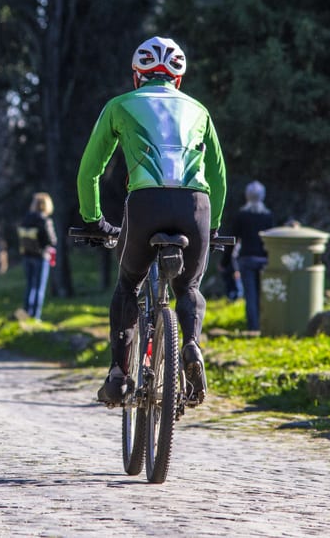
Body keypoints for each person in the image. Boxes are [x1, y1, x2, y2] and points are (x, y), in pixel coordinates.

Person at [76, 36, 227, 406]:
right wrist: (214, 226)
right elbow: (219, 177)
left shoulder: (120, 105)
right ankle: (189, 344)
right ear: (178, 80)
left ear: (136, 76)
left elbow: (88, 173)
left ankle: (119, 375)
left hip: (145, 204)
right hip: (196, 205)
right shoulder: (199, 110)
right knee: (188, 287)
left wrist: (93, 220)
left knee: (128, 284)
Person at [224, 181, 274, 331]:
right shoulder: (268, 216)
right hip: (264, 259)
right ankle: (264, 323)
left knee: (250, 294)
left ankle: (253, 326)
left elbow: (233, 240)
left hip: (246, 259)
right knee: (262, 293)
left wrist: (225, 261)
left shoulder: (242, 216)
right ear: (263, 196)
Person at [17, 192, 57, 321]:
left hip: (26, 255)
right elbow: (52, 240)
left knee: (29, 286)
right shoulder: (44, 220)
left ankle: (25, 313)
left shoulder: (26, 218)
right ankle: (36, 316)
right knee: (39, 287)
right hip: (41, 256)